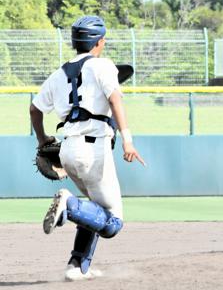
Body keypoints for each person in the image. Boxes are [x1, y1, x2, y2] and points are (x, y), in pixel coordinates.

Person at [30, 15, 145, 281]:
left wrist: (42, 140)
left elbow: (34, 109)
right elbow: (115, 100)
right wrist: (127, 139)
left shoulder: (59, 74)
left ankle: (77, 265)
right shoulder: (102, 65)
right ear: (99, 41)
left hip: (67, 150)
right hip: (93, 149)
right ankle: (68, 205)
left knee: (94, 207)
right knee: (113, 223)